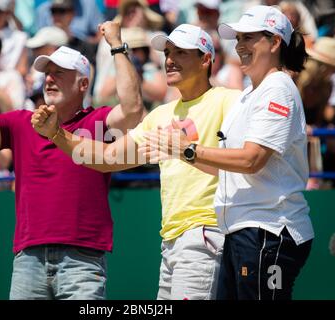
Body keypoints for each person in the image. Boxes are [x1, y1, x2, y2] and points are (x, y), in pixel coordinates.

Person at [32, 24, 241, 300]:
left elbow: (247, 163)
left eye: (180, 52)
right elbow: (109, 158)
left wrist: (188, 150)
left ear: (205, 60)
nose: (169, 59)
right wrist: (57, 134)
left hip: (207, 232)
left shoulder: (231, 101)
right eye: (167, 52)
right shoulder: (160, 115)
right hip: (171, 241)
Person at [0, 21, 143, 300]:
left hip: (82, 259)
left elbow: (133, 109)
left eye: (59, 73)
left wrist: (117, 45)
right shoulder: (21, 123)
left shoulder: (98, 120)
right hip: (28, 260)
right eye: (47, 73)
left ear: (83, 83)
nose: (49, 79)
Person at [141, 5, 315, 300]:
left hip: (269, 230)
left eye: (249, 38)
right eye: (238, 39)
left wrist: (188, 151)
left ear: (274, 43)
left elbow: (251, 159)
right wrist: (183, 152)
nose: (240, 46)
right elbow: (230, 166)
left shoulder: (278, 88)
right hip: (244, 231)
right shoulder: (249, 94)